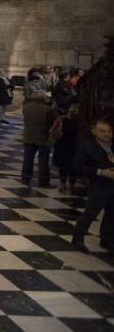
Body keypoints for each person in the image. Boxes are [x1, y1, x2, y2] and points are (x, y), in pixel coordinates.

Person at [71, 120, 114, 252]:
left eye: (109, 131)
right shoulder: (87, 147)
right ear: (94, 131)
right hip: (99, 185)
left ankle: (106, 240)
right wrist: (101, 172)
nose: (106, 134)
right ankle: (77, 239)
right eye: (102, 131)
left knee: (112, 215)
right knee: (90, 213)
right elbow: (78, 166)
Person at [21, 91, 57, 187]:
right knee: (43, 160)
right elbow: (53, 121)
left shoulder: (26, 107)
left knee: (28, 159)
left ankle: (25, 178)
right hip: (43, 136)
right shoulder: (48, 109)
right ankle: (43, 181)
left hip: (28, 135)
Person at [55, 104, 80, 194]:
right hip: (72, 145)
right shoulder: (79, 121)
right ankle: (70, 186)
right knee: (71, 167)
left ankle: (63, 185)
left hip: (63, 145)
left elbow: (54, 129)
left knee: (64, 166)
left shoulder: (62, 119)